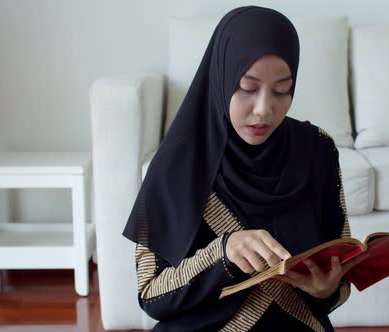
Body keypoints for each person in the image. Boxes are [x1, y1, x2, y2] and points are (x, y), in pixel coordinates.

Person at [122, 5, 368, 332]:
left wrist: (328, 291)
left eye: (282, 90)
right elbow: (151, 295)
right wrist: (222, 253)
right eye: (248, 88)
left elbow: (339, 273)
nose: (264, 109)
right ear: (221, 77)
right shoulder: (177, 163)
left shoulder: (317, 149)